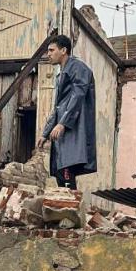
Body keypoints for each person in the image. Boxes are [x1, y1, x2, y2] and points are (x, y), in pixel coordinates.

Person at [39, 34, 97, 189]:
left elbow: (78, 97)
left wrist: (62, 124)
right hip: (63, 133)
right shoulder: (60, 75)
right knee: (61, 173)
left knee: (67, 173)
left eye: (51, 50)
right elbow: (58, 107)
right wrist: (45, 133)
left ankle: (70, 210)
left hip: (73, 130)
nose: (48, 54)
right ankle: (65, 209)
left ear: (63, 50)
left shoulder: (78, 68)